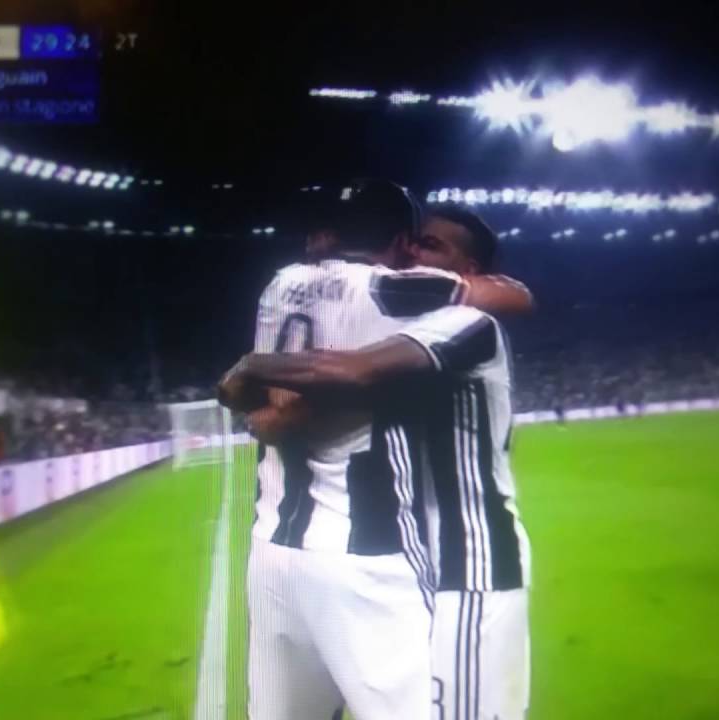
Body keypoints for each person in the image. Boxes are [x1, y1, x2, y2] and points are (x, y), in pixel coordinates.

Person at [218, 183, 533, 720]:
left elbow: (343, 376)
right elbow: (517, 296)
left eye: (431, 245)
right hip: (366, 554)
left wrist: (253, 378)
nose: (416, 254)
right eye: (415, 241)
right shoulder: (394, 295)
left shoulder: (283, 282)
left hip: (280, 545)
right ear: (397, 240)